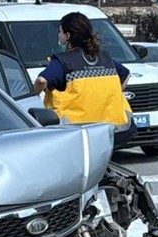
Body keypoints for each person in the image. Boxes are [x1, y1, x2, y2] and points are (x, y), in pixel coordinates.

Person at [33, 12, 135, 147]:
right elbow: (126, 75)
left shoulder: (64, 61)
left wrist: (34, 92)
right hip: (112, 129)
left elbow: (42, 81)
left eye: (60, 32)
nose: (59, 36)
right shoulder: (104, 58)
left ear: (68, 36)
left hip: (76, 133)